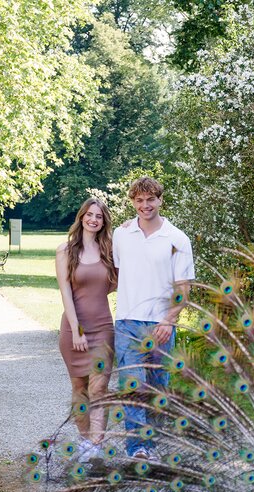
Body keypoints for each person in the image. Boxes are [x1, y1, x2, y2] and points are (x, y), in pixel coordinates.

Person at [113, 176, 194, 459]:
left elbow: (183, 288)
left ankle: (154, 444)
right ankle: (137, 449)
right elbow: (120, 272)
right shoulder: (121, 235)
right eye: (139, 200)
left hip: (161, 325)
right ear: (133, 202)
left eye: (150, 199)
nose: (145, 205)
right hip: (127, 322)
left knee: (158, 387)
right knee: (132, 386)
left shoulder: (177, 239)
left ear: (160, 200)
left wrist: (169, 320)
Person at [54, 198, 117, 462]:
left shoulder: (109, 250)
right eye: (90, 214)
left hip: (103, 328)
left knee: (99, 388)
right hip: (73, 330)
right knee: (79, 388)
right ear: (81, 217)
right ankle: (84, 443)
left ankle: (96, 444)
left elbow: (115, 284)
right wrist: (77, 330)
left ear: (104, 222)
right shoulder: (65, 251)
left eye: (99, 216)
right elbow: (66, 294)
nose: (94, 219)